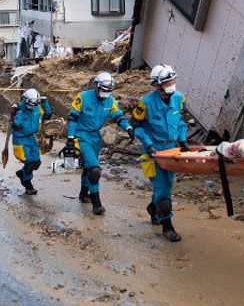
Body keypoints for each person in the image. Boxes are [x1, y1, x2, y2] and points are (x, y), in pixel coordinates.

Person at [132, 64, 188, 242]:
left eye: (173, 80)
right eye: (168, 82)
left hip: (172, 150)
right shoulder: (146, 103)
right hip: (154, 152)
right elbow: (137, 127)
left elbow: (180, 121)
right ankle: (167, 227)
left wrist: (183, 139)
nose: (172, 84)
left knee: (167, 185)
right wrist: (148, 145)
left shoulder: (179, 98)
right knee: (163, 190)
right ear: (157, 85)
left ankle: (152, 208)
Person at [64, 72, 133, 215]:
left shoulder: (110, 101)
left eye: (109, 91)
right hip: (81, 136)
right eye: (104, 90)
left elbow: (118, 116)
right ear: (97, 87)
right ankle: (96, 203)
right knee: (95, 169)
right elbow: (72, 118)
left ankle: (83, 193)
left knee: (88, 167)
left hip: (95, 137)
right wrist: (70, 137)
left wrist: (128, 127)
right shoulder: (82, 98)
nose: (106, 93)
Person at [11, 88, 52, 195]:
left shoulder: (37, 109)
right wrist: (17, 109)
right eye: (29, 104)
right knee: (29, 162)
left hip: (31, 138)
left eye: (33, 104)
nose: (31, 106)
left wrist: (45, 103)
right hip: (20, 139)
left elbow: (47, 114)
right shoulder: (20, 110)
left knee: (36, 162)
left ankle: (22, 173)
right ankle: (27, 183)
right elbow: (15, 125)